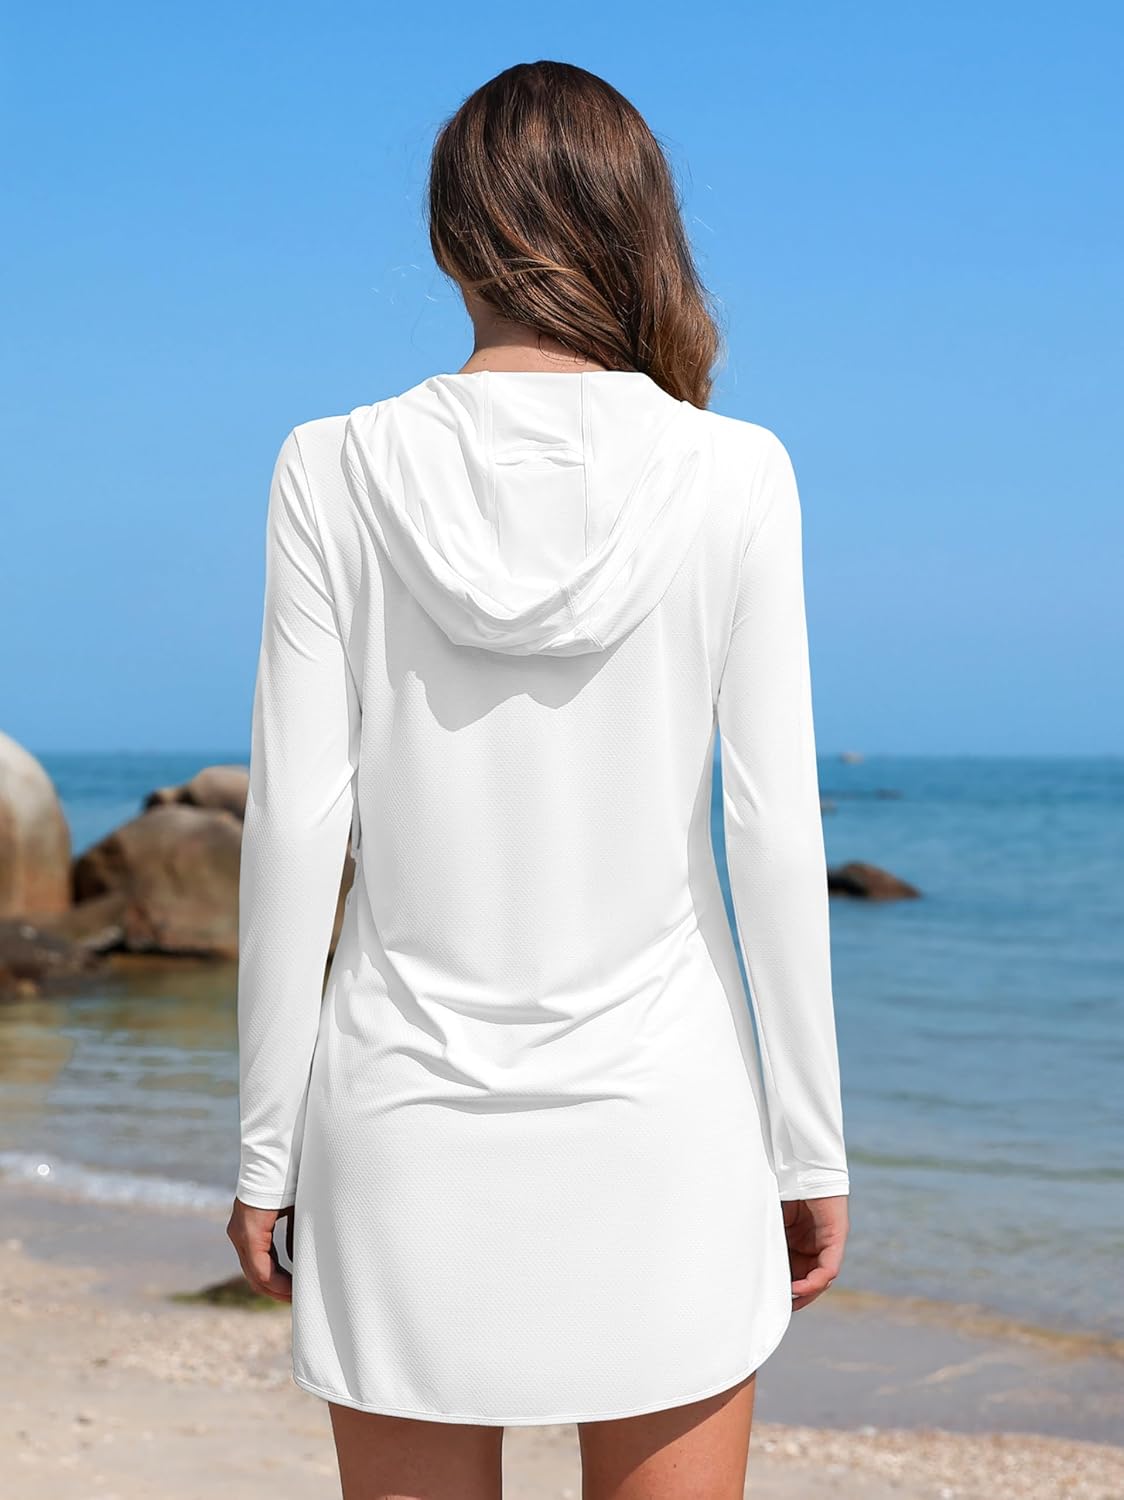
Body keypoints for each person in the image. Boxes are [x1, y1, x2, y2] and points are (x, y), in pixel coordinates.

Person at [227, 58, 850, 1500]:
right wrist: (810, 1144)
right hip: (664, 1122)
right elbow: (771, 826)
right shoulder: (735, 472)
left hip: (401, 1118)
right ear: (641, 226)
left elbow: (297, 831)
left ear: (451, 239)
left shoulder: (330, 469)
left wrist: (266, 1151)